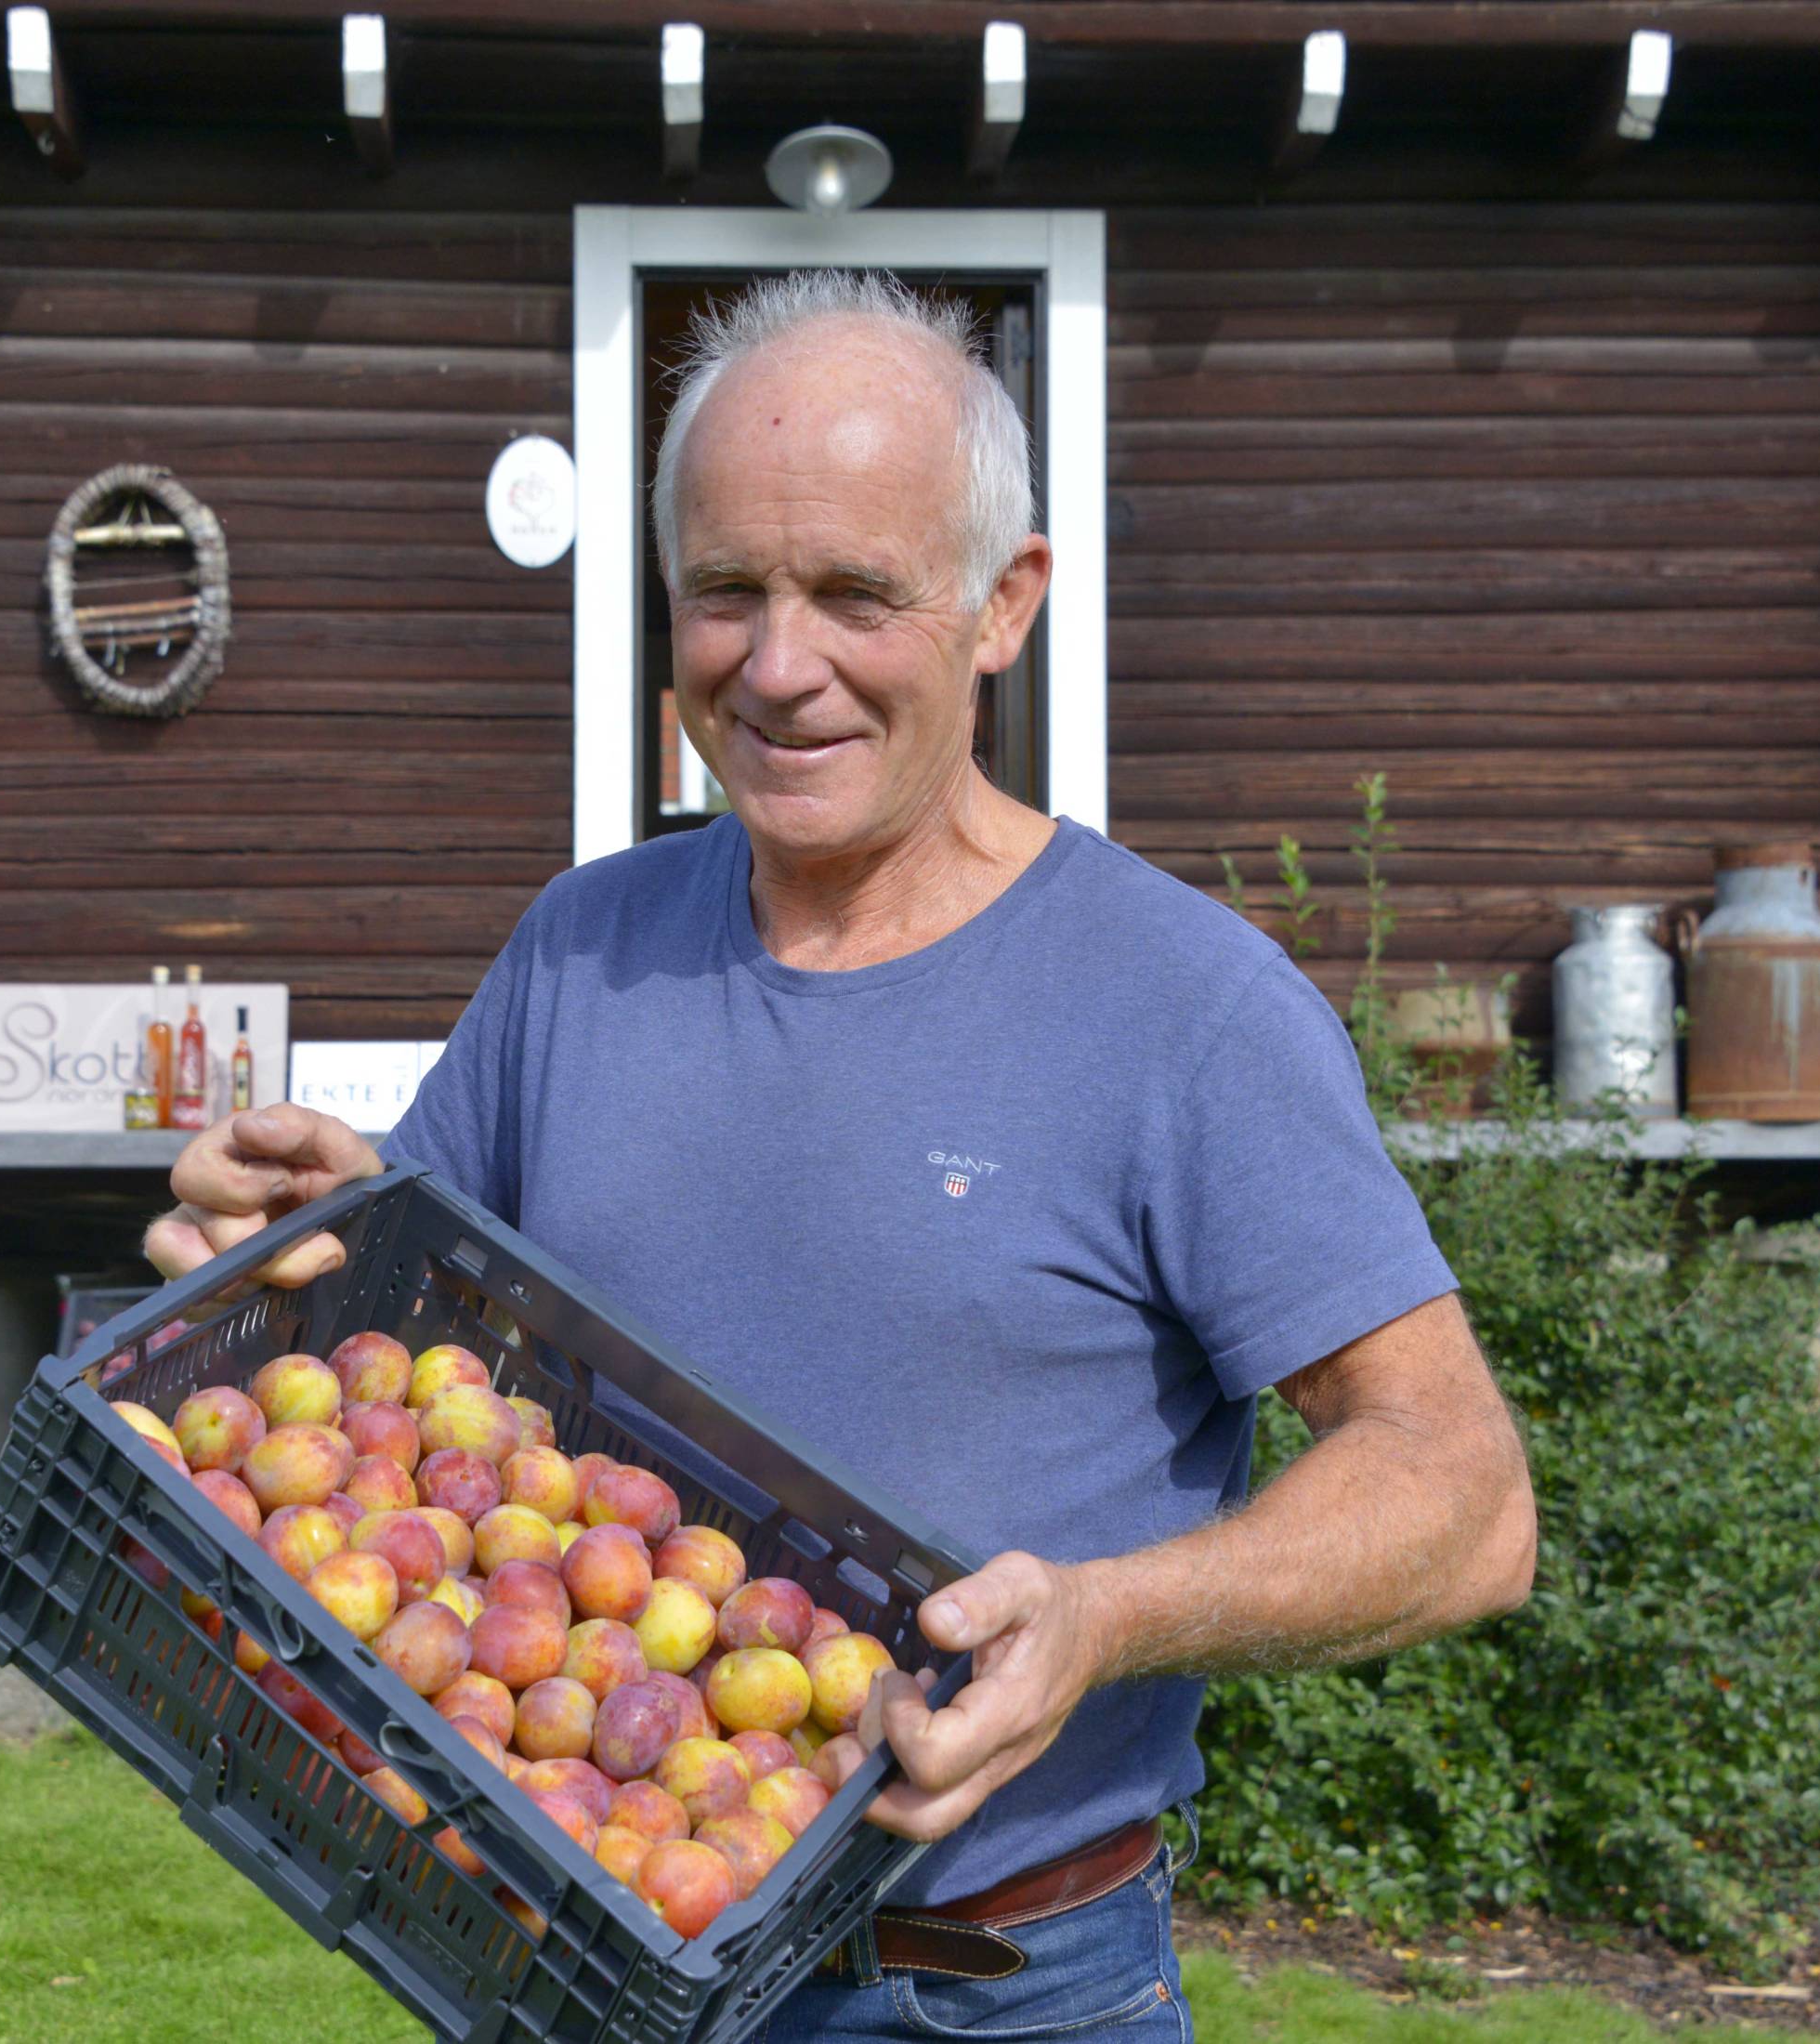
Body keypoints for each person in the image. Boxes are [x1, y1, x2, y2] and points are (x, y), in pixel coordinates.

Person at [148, 269, 1537, 2042]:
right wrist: (286, 1234)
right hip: (587, 1959)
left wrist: (1108, 1617)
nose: (778, 666)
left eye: (855, 595)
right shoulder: (583, 951)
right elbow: (409, 1356)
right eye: (726, 592)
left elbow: (1467, 1498)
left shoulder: (1181, 1007)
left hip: (993, 1997)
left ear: (1002, 605)